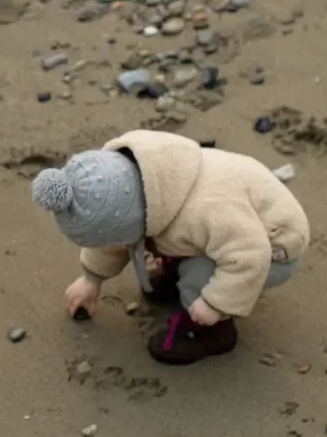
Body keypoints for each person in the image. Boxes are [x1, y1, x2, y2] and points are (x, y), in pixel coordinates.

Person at [30, 130, 310, 365]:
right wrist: (91, 279)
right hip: (227, 230)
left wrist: (215, 304)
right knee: (188, 241)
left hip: (274, 243)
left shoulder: (207, 210)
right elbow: (115, 235)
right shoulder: (129, 176)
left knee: (198, 273)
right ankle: (182, 269)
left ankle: (212, 333)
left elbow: (251, 254)